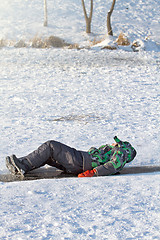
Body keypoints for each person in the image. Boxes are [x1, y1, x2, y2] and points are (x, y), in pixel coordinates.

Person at [6, 136, 136, 178]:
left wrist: (93, 172)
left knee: (51, 146)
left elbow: (113, 166)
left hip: (80, 161)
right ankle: (22, 165)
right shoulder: (113, 151)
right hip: (79, 163)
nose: (113, 143)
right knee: (48, 156)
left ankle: (22, 165)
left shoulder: (121, 151)